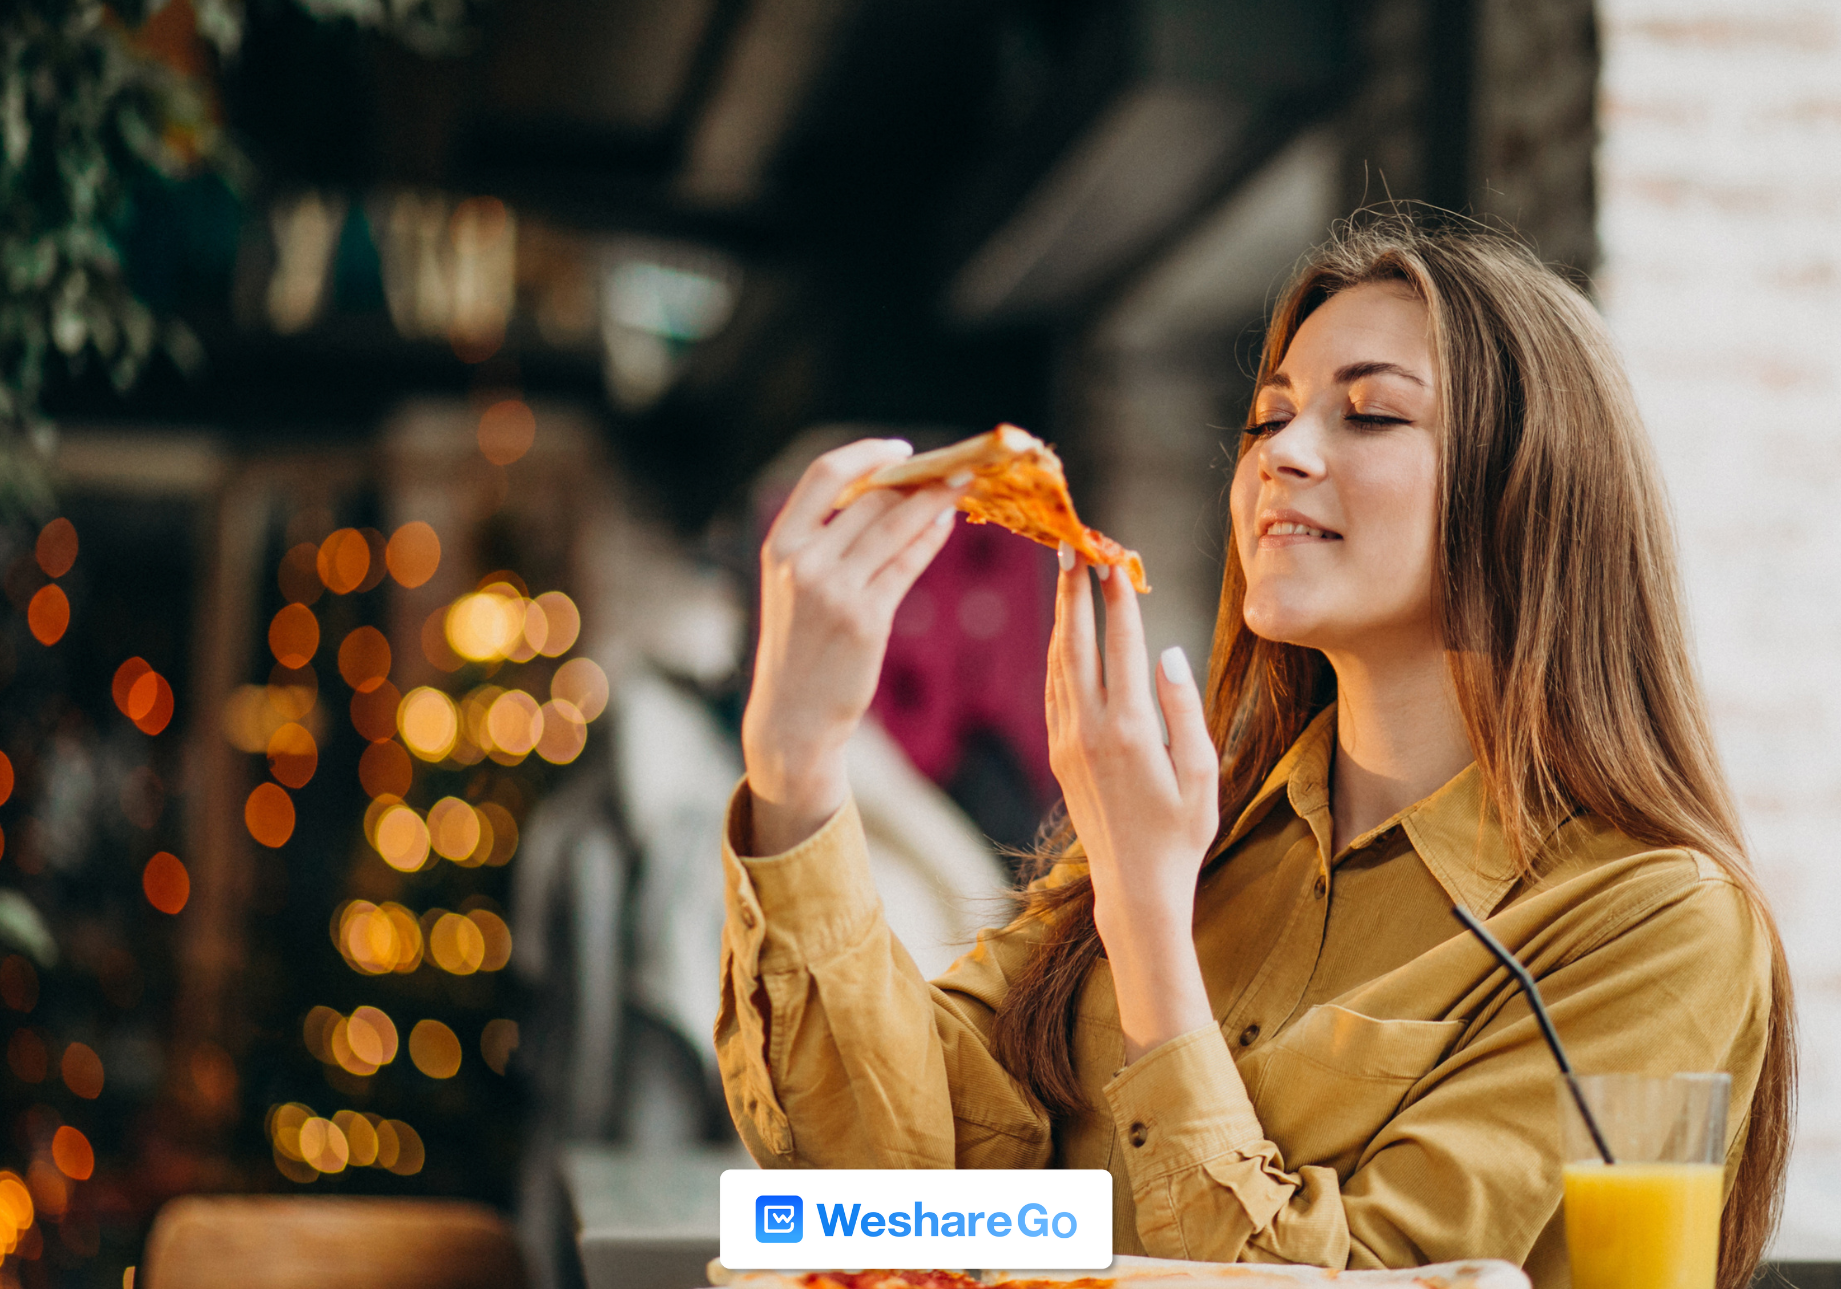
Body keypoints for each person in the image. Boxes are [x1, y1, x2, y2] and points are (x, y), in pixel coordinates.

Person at [714, 216, 1792, 1289]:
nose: (1279, 449)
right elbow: (873, 1182)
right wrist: (797, 768)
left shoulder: (1656, 922)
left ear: (1527, 490)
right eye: (1267, 416)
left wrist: (1144, 918)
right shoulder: (1198, 832)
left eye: (1367, 413)